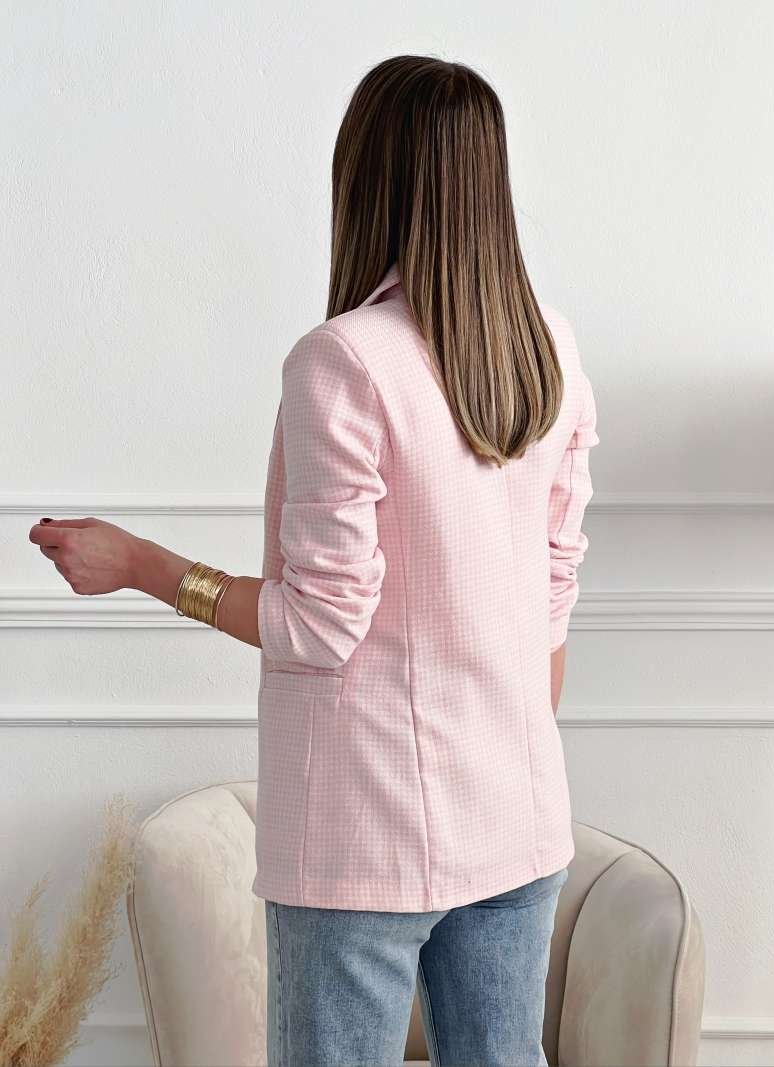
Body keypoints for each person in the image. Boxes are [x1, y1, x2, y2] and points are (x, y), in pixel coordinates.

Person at [28, 53, 599, 1067]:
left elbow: (319, 622)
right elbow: (553, 591)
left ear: (363, 175)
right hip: (518, 815)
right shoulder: (548, 347)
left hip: (365, 840)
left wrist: (142, 563)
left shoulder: (343, 360)